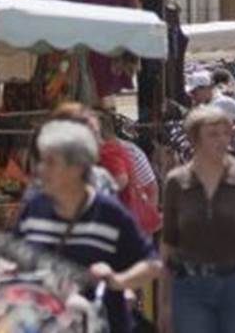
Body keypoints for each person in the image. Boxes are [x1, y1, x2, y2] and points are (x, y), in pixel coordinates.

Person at [15, 120, 162, 333]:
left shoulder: (109, 212)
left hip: (101, 322)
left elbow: (152, 264)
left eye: (51, 162)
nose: (41, 169)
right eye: (41, 161)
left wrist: (118, 281)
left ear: (77, 167)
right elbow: (13, 256)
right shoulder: (34, 208)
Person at [161, 105, 235, 333]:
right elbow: (168, 245)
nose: (222, 140)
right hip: (189, 287)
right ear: (195, 139)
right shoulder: (177, 182)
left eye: (226, 132)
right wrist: (164, 303)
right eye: (213, 134)